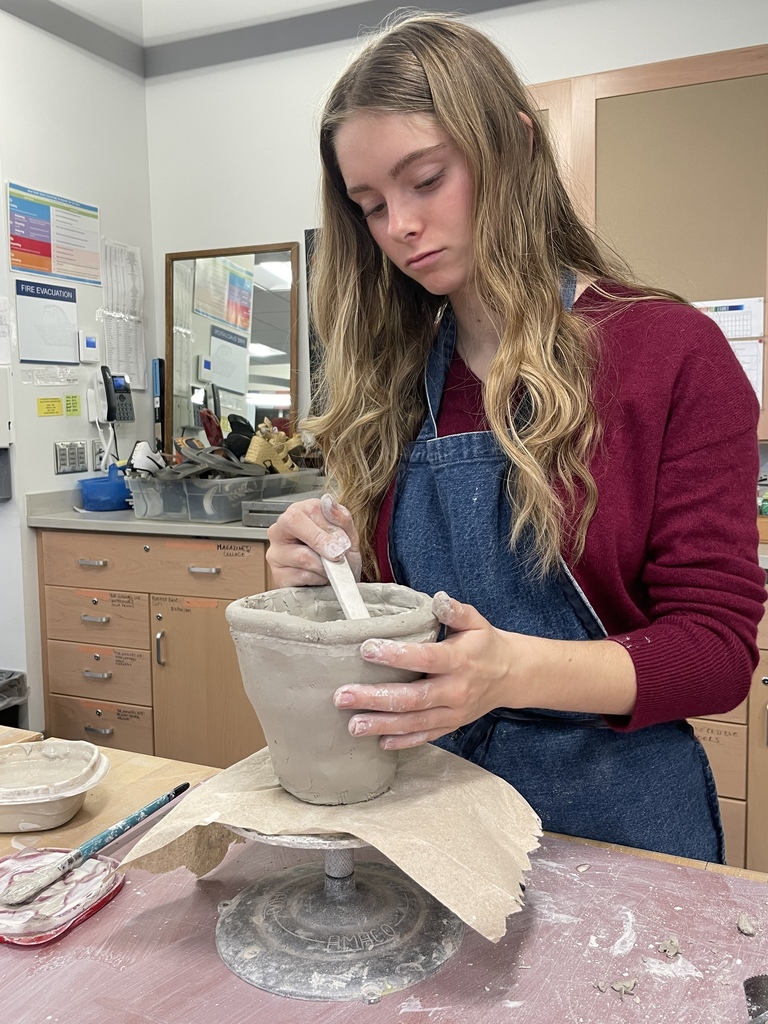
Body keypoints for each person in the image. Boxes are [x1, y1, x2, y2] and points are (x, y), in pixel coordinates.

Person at [267, 11, 766, 861]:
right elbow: (390, 623)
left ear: (516, 146)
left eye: (425, 180)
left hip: (618, 813)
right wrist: (317, 582)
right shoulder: (395, 382)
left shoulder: (669, 353)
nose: (399, 227)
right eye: (371, 205)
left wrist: (509, 673)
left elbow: (716, 654)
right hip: (430, 796)